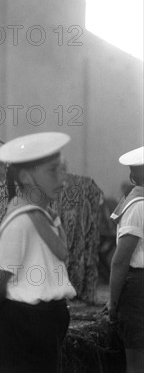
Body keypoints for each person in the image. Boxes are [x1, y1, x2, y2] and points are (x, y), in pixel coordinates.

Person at [0, 132, 76, 373]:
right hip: (23, 324)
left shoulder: (47, 218)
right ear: (24, 176)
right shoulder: (21, 223)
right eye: (53, 171)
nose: (62, 178)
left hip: (48, 320)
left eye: (63, 169)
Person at [108, 146, 144, 373]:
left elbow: (120, 261)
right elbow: (122, 261)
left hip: (138, 288)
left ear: (132, 175)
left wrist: (113, 303)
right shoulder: (139, 205)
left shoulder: (137, 205)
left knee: (136, 362)